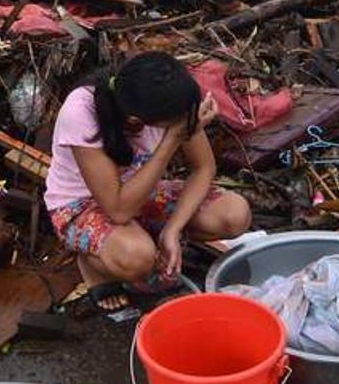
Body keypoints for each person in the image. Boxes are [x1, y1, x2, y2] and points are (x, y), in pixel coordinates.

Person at [45, 52, 251, 311]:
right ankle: (94, 265)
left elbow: (204, 167)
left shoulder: (169, 100)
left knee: (234, 213)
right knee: (138, 259)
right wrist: (171, 140)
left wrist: (173, 229)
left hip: (143, 191)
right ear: (136, 121)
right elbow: (118, 211)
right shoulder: (81, 113)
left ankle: (148, 238)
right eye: (175, 123)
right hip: (84, 205)